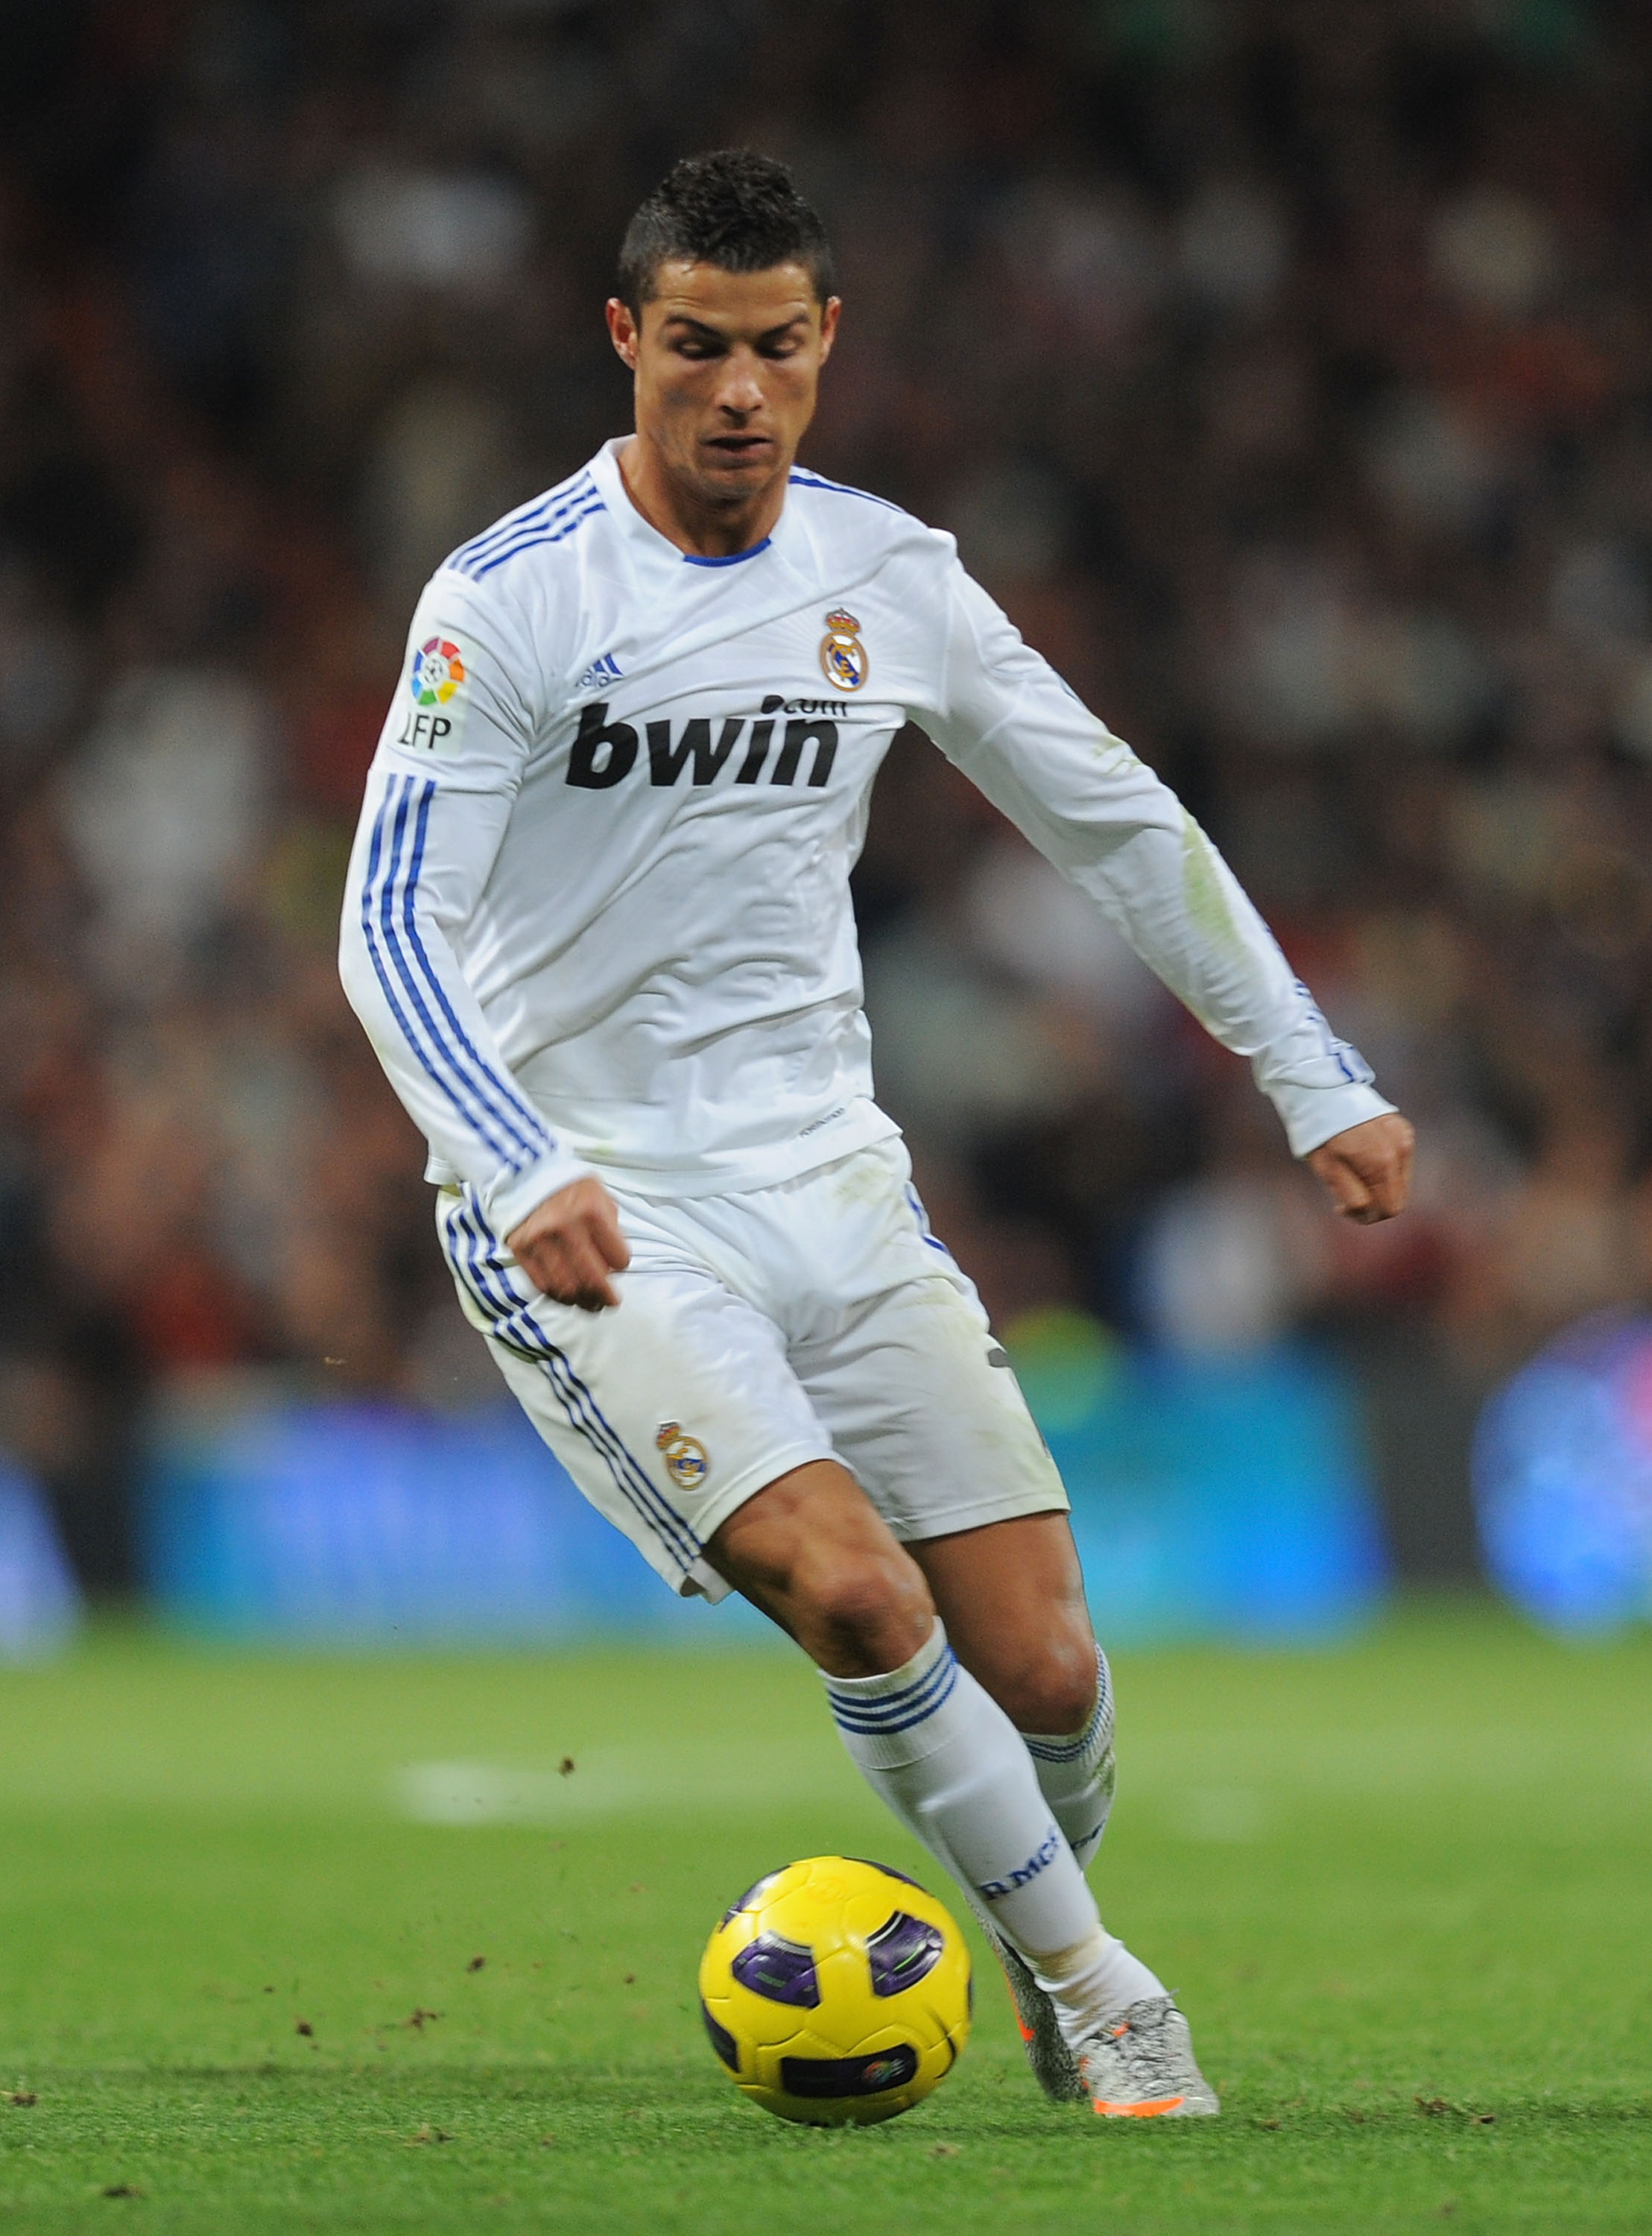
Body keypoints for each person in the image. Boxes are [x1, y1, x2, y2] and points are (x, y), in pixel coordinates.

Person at [339, 149, 1414, 2119]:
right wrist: (515, 1158)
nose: (733, 391)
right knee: (855, 1595)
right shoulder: (508, 598)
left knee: (1056, 1678)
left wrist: (1308, 1068)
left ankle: (1032, 1938)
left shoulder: (888, 576)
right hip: (597, 1194)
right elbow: (385, 918)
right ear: (623, 341)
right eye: (690, 349)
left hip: (832, 1180)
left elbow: (1108, 814)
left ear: (825, 342)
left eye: (770, 349)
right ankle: (1101, 1994)